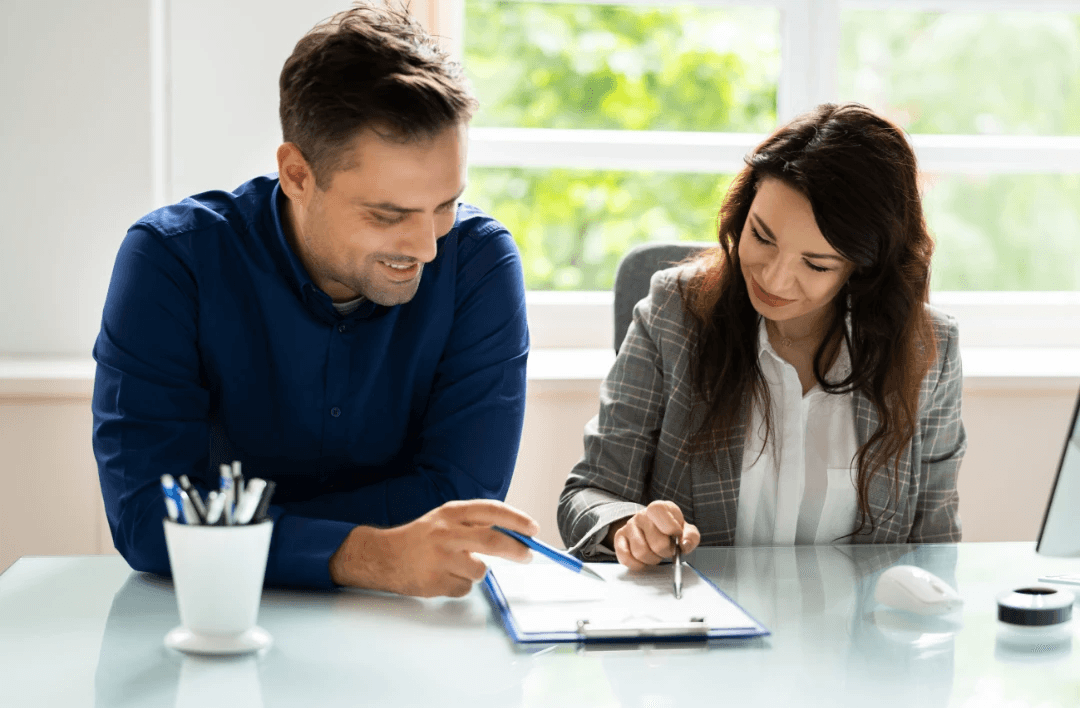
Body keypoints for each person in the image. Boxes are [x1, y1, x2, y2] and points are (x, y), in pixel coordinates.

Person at [92, 3, 538, 597]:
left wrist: (240, 523)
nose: (428, 247)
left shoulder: (479, 264)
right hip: (212, 618)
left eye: (445, 204)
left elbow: (456, 502)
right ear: (297, 174)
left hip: (403, 628)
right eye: (388, 215)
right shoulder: (173, 261)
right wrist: (367, 555)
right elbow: (146, 517)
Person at [558, 103, 966, 570]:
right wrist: (626, 527)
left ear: (864, 268)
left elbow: (936, 545)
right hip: (705, 633)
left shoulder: (927, 350)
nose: (773, 278)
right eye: (762, 236)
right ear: (742, 211)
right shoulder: (675, 313)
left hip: (857, 639)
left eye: (814, 264)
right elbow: (588, 493)